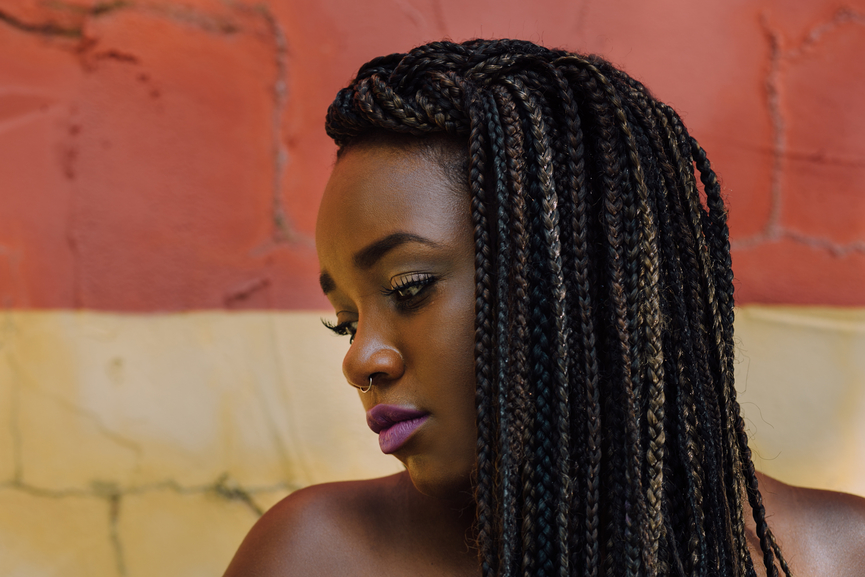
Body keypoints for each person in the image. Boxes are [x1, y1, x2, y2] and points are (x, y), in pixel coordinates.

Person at [224, 39, 865, 577]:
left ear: (579, 281)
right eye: (346, 319)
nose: (359, 357)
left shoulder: (838, 556)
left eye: (410, 285)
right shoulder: (314, 555)